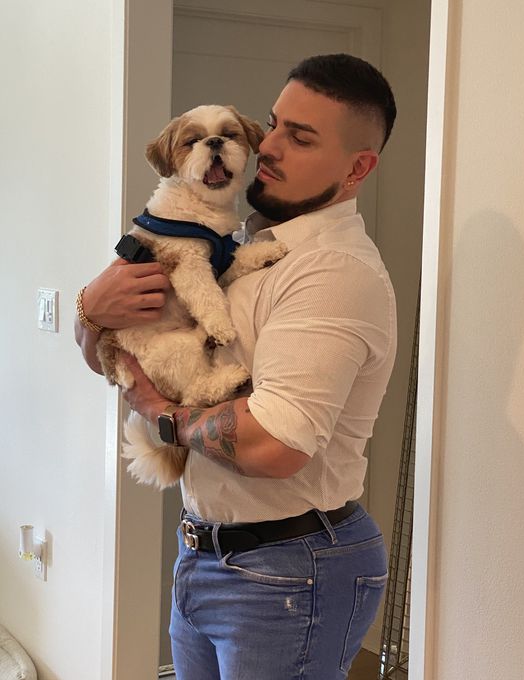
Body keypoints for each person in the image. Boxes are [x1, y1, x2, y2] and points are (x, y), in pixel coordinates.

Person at [75, 53, 397, 680]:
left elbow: (275, 445)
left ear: (357, 168)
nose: (268, 145)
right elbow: (121, 360)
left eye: (300, 137)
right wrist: (92, 312)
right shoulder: (242, 243)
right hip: (206, 550)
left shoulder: (332, 273)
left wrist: (160, 414)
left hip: (290, 569)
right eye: (273, 124)